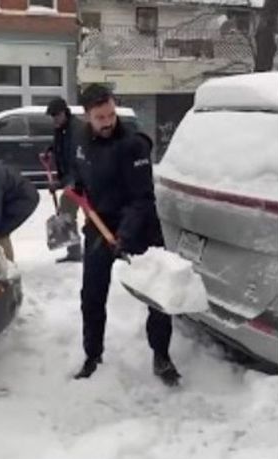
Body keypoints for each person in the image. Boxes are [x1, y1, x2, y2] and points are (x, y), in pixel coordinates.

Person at [68, 84, 181, 387]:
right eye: (100, 117)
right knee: (92, 294)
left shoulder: (133, 146)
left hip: (139, 224)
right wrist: (76, 183)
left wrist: (124, 235)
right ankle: (92, 356)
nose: (107, 122)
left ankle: (162, 355)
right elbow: (78, 167)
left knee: (156, 293)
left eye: (110, 114)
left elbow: (142, 199)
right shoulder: (80, 138)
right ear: (87, 117)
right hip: (99, 221)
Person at [42, 97, 85, 263]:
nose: (54, 119)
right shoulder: (61, 129)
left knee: (92, 215)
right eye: (52, 116)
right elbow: (61, 146)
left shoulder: (77, 130)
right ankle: (74, 251)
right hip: (72, 179)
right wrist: (50, 150)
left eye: (56, 115)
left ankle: (106, 248)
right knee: (67, 212)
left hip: (84, 179)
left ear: (64, 113)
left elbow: (78, 160)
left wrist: (61, 183)